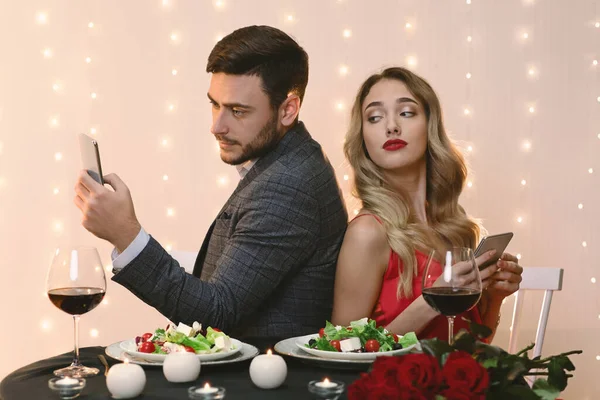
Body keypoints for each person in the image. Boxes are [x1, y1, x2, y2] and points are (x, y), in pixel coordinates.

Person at [74, 25, 348, 338]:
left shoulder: (287, 185)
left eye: (238, 111)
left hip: (256, 378)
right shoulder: (287, 159)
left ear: (288, 109)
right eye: (215, 104)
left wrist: (125, 234)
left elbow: (216, 313)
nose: (216, 126)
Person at [331, 67, 522, 342]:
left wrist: (494, 298)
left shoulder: (456, 228)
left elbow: (470, 346)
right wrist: (432, 301)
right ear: (364, 140)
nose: (391, 126)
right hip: (395, 385)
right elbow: (344, 349)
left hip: (455, 384)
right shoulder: (368, 233)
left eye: (406, 113)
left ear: (430, 125)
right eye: (374, 117)